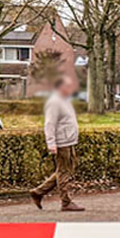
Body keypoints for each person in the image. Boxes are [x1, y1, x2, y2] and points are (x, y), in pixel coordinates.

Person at [30, 73, 83, 212]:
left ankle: (38, 192)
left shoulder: (65, 100)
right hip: (62, 142)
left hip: (69, 140)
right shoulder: (54, 102)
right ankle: (66, 202)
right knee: (64, 172)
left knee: (64, 170)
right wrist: (51, 143)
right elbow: (49, 124)